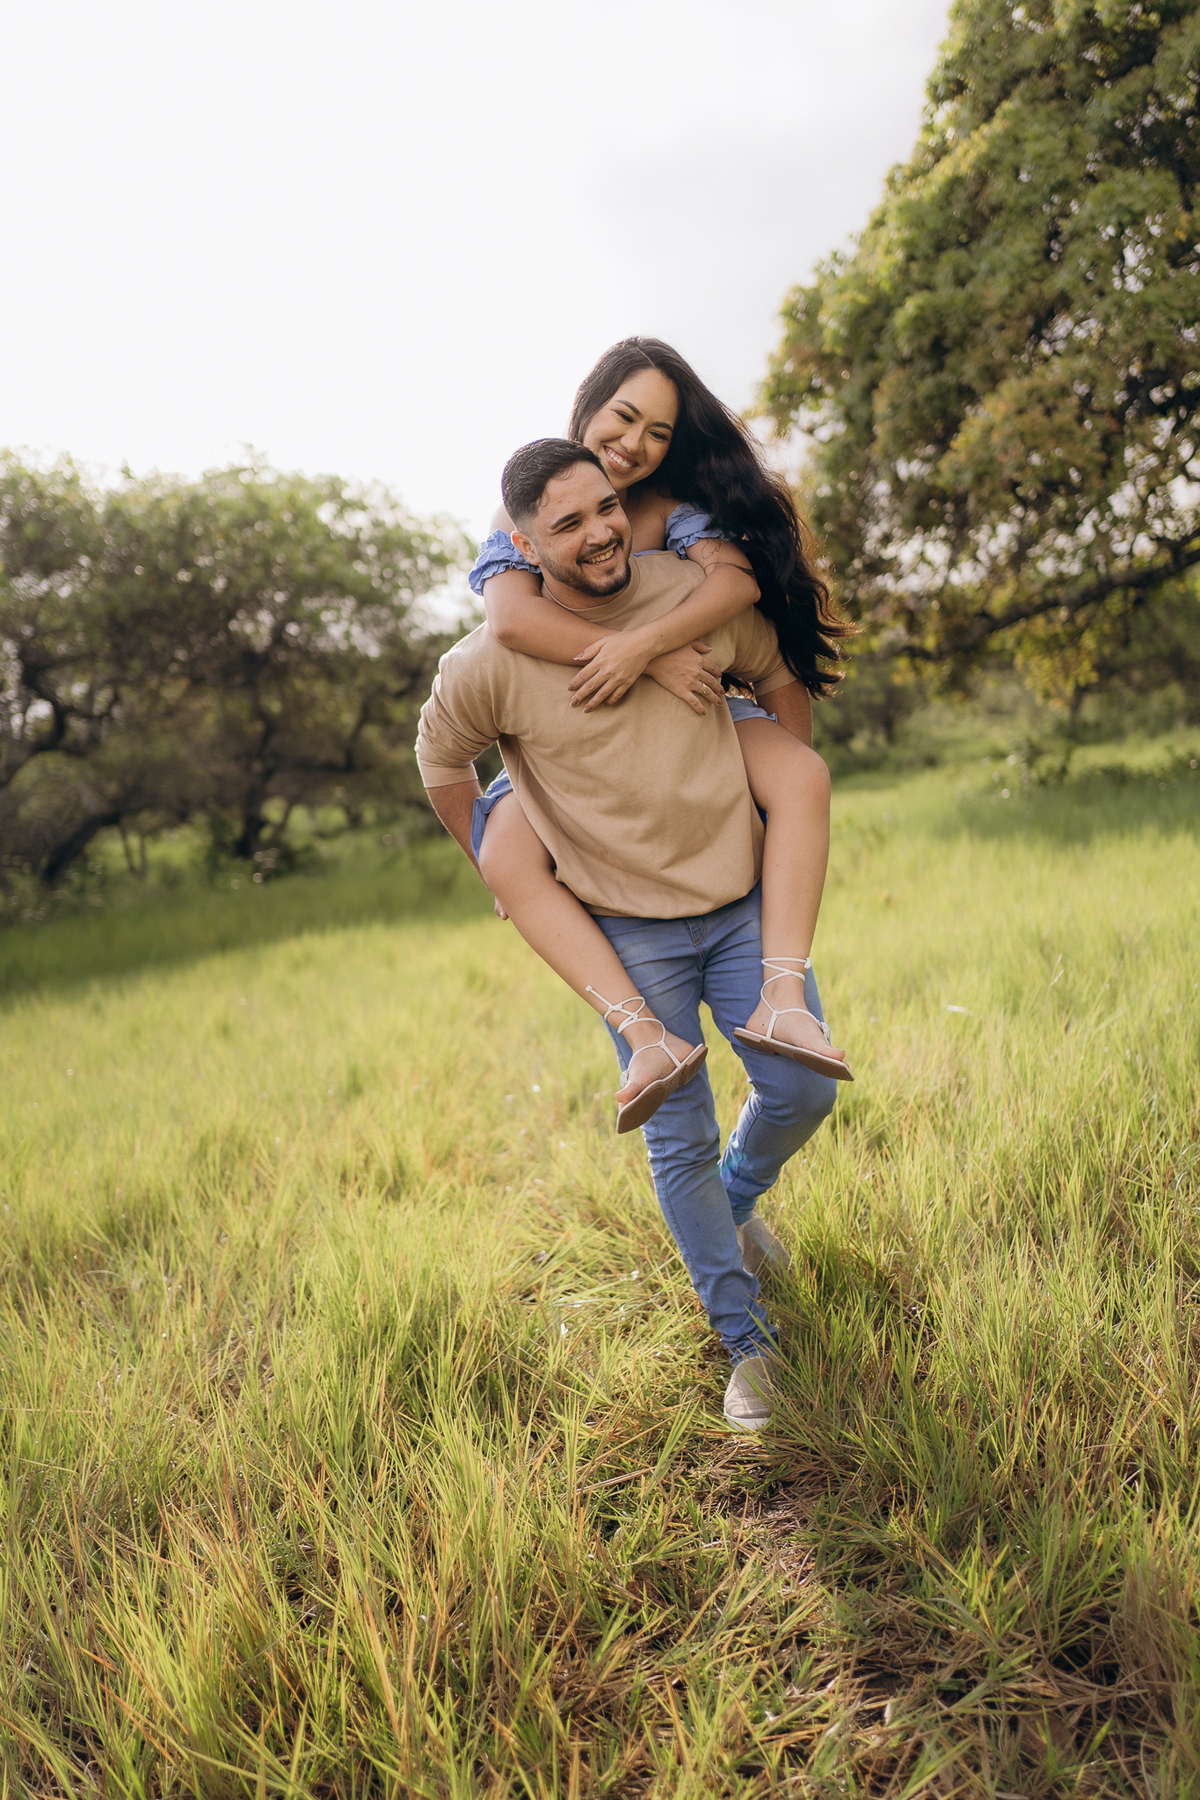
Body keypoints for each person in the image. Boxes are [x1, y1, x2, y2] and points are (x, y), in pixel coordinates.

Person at [417, 439, 839, 1429]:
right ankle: (746, 1342)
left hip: (737, 902)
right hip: (627, 932)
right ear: (520, 545)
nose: (599, 531)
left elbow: (779, 676)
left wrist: (775, 774)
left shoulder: (685, 595)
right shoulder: (488, 664)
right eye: (566, 524)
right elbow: (442, 765)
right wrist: (490, 857)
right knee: (676, 1135)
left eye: (605, 507)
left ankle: (733, 1205)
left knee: (802, 1087)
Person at [468, 338, 855, 1128]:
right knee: (504, 851)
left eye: (659, 432)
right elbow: (509, 618)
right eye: (624, 417)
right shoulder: (527, 508)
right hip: (576, 730)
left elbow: (738, 583)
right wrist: (642, 661)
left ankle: (783, 992)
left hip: (689, 725)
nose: (635, 445)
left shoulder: (670, 510)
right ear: (588, 404)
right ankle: (640, 1032)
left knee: (797, 779)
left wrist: (648, 646)